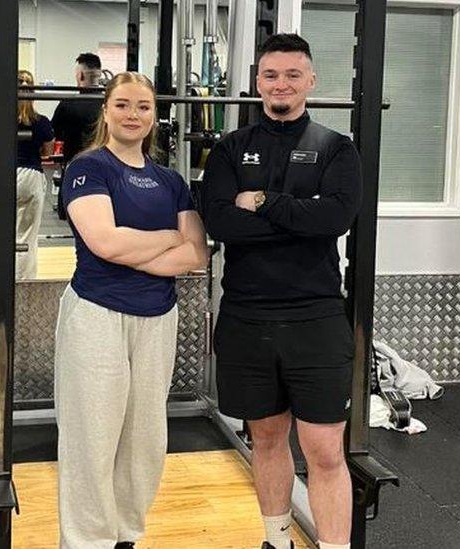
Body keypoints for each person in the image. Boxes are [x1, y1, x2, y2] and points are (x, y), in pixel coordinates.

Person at [198, 34, 363, 549]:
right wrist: (297, 214)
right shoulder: (229, 148)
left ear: (311, 81)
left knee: (324, 449)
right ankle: (277, 539)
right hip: (246, 317)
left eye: (293, 74)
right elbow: (220, 221)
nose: (281, 84)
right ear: (257, 82)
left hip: (315, 318)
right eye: (271, 75)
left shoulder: (336, 147)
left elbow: (335, 218)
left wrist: (263, 201)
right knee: (266, 440)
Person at [54, 71, 209, 549]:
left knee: (144, 439)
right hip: (97, 314)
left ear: (154, 115)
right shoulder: (89, 169)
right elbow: (103, 242)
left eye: (142, 106)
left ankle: (126, 536)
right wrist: (167, 239)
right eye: (122, 104)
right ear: (105, 110)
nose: (132, 115)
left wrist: (136, 249)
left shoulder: (170, 180)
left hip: (158, 318)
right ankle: (86, 542)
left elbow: (198, 255)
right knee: (92, 435)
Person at [52, 53, 105, 219]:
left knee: (74, 217)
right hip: (106, 170)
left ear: (80, 75)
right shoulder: (109, 105)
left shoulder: (68, 103)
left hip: (76, 169)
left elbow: (55, 134)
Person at [15, 69, 55, 279]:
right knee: (27, 236)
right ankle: (23, 283)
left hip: (4, 175)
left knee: (3, 232)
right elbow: (47, 152)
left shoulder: (0, 118)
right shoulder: (42, 122)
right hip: (31, 176)